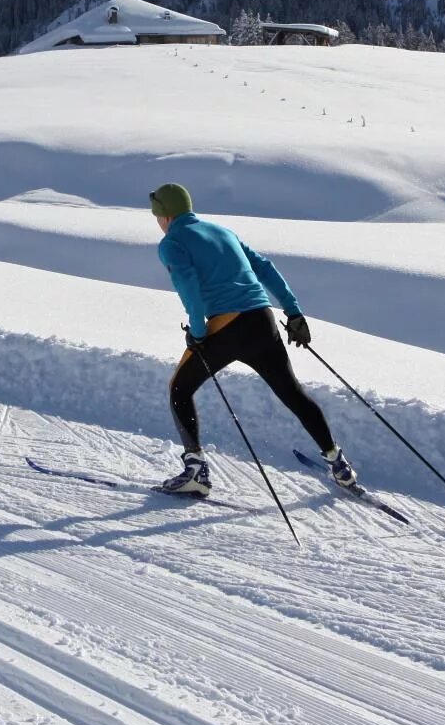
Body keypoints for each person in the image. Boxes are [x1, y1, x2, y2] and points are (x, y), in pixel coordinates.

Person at [147, 181, 355, 497]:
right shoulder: (222, 232)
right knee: (292, 392)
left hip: (228, 325)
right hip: (263, 319)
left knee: (179, 388)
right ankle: (338, 464)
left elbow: (188, 289)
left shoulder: (172, 243)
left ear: (164, 215)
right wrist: (294, 312)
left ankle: (195, 470)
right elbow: (263, 267)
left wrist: (198, 333)